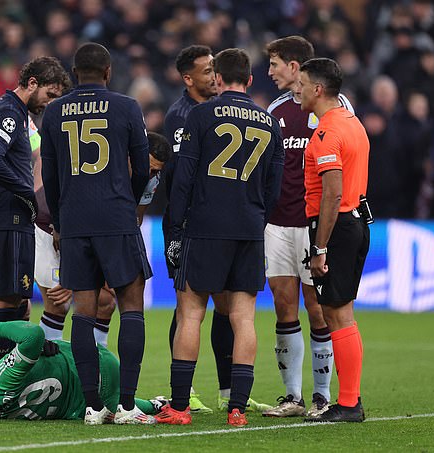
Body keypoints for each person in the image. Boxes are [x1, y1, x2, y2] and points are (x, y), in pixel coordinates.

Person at [155, 48, 284, 426]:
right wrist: (258, 219)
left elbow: (184, 178)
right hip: (248, 229)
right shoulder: (268, 121)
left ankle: (180, 407)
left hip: (205, 227)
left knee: (190, 312)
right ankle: (237, 409)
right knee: (243, 317)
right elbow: (275, 187)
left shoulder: (201, 114)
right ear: (249, 79)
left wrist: (177, 227)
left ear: (218, 77)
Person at [41, 43, 153, 425]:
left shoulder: (54, 112)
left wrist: (59, 221)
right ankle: (125, 406)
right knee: (131, 306)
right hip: (116, 219)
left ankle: (92, 406)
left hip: (75, 223)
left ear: (74, 74)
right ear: (107, 72)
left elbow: (50, 177)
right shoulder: (126, 107)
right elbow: (142, 167)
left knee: (84, 312)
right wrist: (129, 202)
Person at [0, 56, 70, 377]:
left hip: (0, 217)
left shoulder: (2, 109)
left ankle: (3, 385)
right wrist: (24, 191)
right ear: (32, 83)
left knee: (16, 303)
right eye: (50, 93)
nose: (50, 102)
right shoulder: (9, 113)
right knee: (7, 306)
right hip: (9, 220)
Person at [262, 36, 354, 418]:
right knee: (284, 307)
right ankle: (292, 397)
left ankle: (321, 395)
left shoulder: (336, 107)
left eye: (275, 64)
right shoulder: (276, 109)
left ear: (295, 66)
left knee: (318, 309)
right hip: (278, 222)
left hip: (315, 223)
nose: (270, 71)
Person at [35, 132, 170, 347]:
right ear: (132, 156)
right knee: (59, 304)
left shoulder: (151, 178)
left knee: (106, 303)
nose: (150, 173)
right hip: (51, 226)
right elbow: (77, 211)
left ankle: (98, 369)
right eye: (149, 167)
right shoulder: (103, 168)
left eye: (156, 170)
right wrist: (76, 275)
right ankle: (45, 371)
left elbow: (134, 219)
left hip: (93, 232)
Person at [297, 57, 370, 423]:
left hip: (337, 225)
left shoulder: (327, 132)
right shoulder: (352, 122)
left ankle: (349, 403)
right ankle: (349, 400)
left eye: (302, 83)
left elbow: (331, 193)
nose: (297, 88)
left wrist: (320, 247)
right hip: (356, 220)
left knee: (338, 315)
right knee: (341, 314)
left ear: (318, 89)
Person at [0, 321, 168, 421]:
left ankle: (157, 405)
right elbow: (33, 335)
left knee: (126, 406)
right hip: (94, 364)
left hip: (92, 403)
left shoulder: (1, 414)